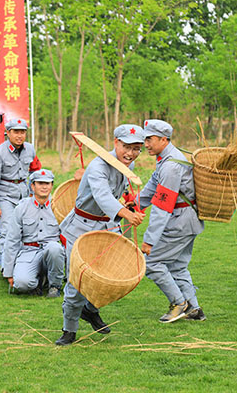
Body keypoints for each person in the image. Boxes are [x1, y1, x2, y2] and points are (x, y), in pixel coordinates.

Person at [55, 124, 146, 346]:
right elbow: (103, 196)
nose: (130, 153)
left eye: (136, 149)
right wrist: (125, 213)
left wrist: (128, 202)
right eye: (126, 147)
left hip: (107, 227)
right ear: (115, 142)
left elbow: (118, 192)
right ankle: (69, 329)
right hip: (81, 228)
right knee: (78, 280)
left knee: (106, 276)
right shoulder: (97, 167)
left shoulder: (127, 165)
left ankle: (91, 309)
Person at [137, 119, 206, 323]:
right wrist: (134, 205)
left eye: (149, 139)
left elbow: (162, 207)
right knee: (177, 267)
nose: (145, 144)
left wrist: (149, 240)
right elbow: (152, 186)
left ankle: (179, 303)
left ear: (163, 139)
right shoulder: (167, 160)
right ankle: (194, 308)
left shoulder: (170, 166)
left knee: (152, 262)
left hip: (180, 222)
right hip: (187, 221)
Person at [0, 118, 41, 272]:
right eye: (16, 132)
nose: (19, 135)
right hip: (5, 195)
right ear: (8, 133)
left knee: (26, 229)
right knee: (7, 229)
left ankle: (23, 264)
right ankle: (5, 266)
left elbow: (35, 171)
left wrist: (35, 194)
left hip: (24, 193)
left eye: (22, 132)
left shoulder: (30, 149)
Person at [2, 169, 66, 297]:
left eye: (47, 183)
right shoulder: (21, 207)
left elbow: (68, 238)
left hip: (51, 252)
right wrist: (8, 273)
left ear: (52, 185)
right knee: (22, 284)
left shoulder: (61, 206)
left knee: (55, 248)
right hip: (28, 252)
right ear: (32, 185)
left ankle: (55, 286)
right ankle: (39, 281)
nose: (44, 186)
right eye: (40, 183)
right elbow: (12, 239)